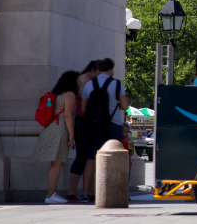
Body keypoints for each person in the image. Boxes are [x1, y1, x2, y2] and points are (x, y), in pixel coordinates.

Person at [81, 58, 129, 202]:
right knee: (115, 158)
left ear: (99, 69)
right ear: (111, 70)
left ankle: (84, 193)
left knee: (90, 159)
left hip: (94, 126)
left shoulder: (89, 85)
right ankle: (115, 191)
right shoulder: (116, 84)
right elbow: (125, 106)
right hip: (113, 125)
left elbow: (83, 109)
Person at [33, 70, 79, 203]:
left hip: (52, 128)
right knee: (57, 163)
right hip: (61, 130)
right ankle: (51, 195)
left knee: (55, 163)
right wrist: (72, 135)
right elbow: (68, 115)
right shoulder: (70, 94)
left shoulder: (58, 94)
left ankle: (52, 194)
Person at [66, 61, 99, 202]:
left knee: (91, 157)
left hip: (89, 121)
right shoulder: (85, 79)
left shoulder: (91, 79)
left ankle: (90, 191)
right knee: (82, 157)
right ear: (93, 70)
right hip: (83, 120)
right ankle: (72, 191)